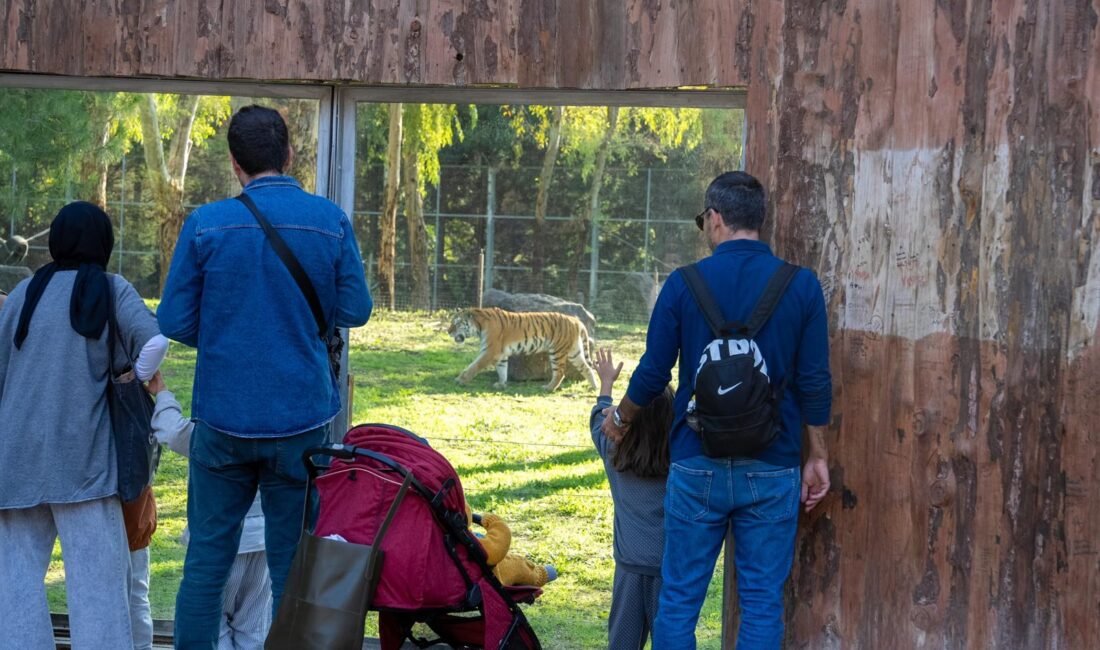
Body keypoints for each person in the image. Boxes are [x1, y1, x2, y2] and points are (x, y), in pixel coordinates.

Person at [158, 104, 372, 649]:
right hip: (299, 420)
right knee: (290, 566)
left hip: (223, 421)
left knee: (206, 561)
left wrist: (231, 335)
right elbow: (357, 309)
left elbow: (175, 320)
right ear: (290, 154)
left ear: (234, 163)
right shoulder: (330, 221)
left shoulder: (205, 224)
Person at [601, 171, 832, 649]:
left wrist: (619, 419)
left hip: (696, 462)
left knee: (680, 600)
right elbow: (814, 382)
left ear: (715, 218)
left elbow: (653, 372)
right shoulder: (802, 286)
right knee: (763, 602)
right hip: (773, 466)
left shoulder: (684, 285)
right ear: (759, 221)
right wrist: (818, 456)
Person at [0, 202, 167, 648]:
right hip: (85, 467)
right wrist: (131, 374)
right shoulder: (112, 289)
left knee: (14, 589)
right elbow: (154, 341)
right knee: (98, 594)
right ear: (103, 242)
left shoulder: (23, 294)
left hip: (16, 463)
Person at [131, 371, 272, 649]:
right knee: (255, 626)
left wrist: (162, 393)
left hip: (221, 540)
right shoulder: (277, 430)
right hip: (264, 541)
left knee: (211, 622)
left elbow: (172, 431)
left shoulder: (212, 433)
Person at [590, 348, 672, 650]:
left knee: (623, 643)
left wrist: (607, 388)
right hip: (670, 569)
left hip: (629, 568)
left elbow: (598, 420)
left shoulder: (613, 452)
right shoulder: (683, 462)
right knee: (670, 640)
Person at [465, 503, 557, 588]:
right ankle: (539, 575)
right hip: (481, 576)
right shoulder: (465, 542)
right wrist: (495, 523)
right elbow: (495, 551)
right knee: (516, 564)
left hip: (456, 575)